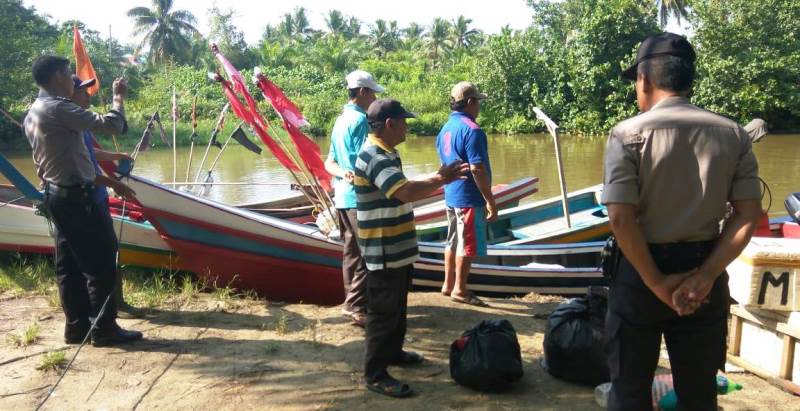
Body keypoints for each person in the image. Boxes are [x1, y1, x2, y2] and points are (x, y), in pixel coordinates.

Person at [602, 33, 762, 410]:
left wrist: (657, 283)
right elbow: (748, 214)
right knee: (698, 393)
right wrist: (704, 278)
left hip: (639, 274)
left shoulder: (627, 134)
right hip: (703, 274)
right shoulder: (734, 134)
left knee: (628, 391)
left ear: (644, 80)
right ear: (689, 81)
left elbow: (621, 220)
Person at [24, 55, 143, 347]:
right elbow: (113, 125)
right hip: (79, 199)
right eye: (68, 73)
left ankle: (76, 328)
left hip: (57, 195)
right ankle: (104, 329)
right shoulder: (59, 107)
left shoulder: (34, 111)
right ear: (56, 77)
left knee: (69, 267)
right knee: (101, 262)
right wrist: (118, 98)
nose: (71, 79)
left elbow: (73, 156)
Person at [354, 99, 468, 397]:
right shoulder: (375, 155)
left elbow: (403, 184)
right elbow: (404, 192)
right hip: (383, 251)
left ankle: (393, 353)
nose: (407, 126)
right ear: (390, 125)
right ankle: (375, 373)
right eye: (403, 121)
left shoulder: (387, 153)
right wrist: (442, 179)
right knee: (383, 313)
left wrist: (439, 177)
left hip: (397, 248)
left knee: (398, 307)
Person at [70, 75, 141, 318]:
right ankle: (103, 315)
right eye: (83, 91)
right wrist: (114, 184)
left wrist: (116, 156)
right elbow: (83, 169)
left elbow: (92, 153)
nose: (88, 95)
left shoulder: (81, 126)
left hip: (95, 195)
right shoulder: (69, 122)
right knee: (99, 256)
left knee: (109, 251)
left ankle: (114, 306)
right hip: (84, 196)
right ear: (69, 93)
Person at [324, 70, 384, 327]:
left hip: (342, 197)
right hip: (360, 199)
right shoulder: (362, 121)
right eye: (372, 93)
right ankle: (355, 305)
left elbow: (330, 162)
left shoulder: (340, 121)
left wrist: (343, 174)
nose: (374, 99)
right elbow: (367, 159)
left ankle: (352, 301)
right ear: (362, 92)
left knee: (351, 253)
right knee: (368, 254)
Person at [435, 81, 496, 307]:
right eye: (478, 102)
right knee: (467, 243)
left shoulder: (444, 129)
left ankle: (447, 284)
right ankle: (460, 289)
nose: (479, 107)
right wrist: (490, 200)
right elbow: (477, 168)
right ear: (470, 103)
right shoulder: (473, 130)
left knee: (452, 240)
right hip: (468, 196)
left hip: (451, 194)